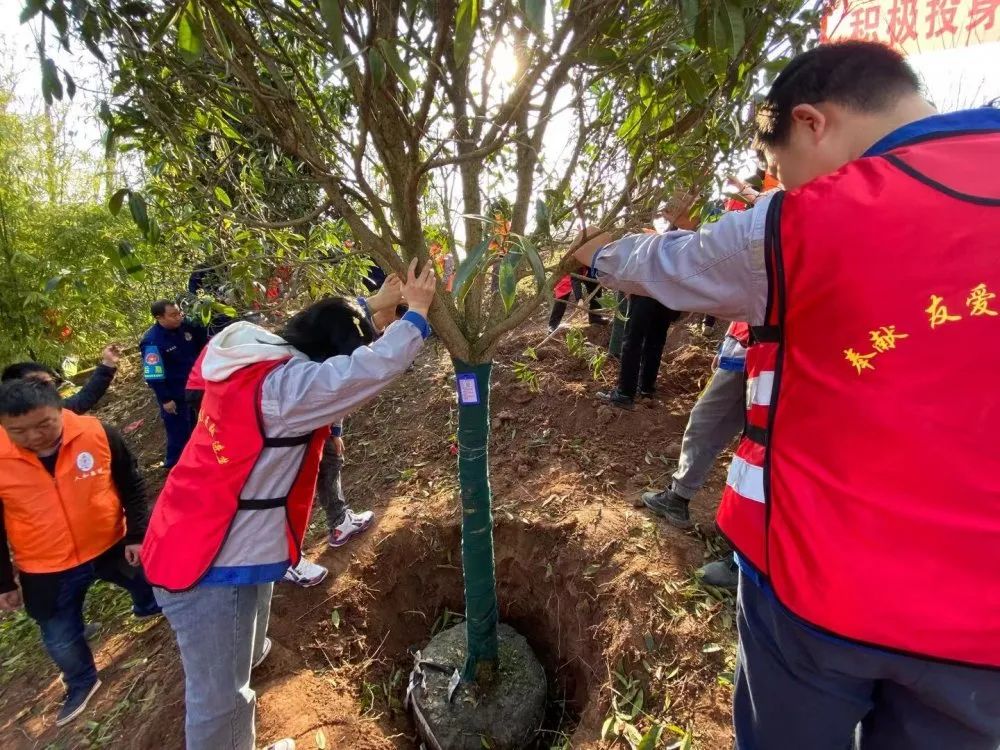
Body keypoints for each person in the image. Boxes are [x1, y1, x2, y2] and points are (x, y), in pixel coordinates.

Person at [575, 41, 1000, 749]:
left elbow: (672, 262)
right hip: (980, 637)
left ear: (810, 123)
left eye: (781, 170)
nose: (785, 187)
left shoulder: (805, 221)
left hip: (815, 588)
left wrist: (591, 251)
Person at [140, 260, 436, 750]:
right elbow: (360, 373)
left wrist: (372, 307)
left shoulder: (251, 353)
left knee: (249, 617)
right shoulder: (285, 390)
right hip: (208, 561)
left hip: (193, 526)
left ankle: (250, 655)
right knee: (220, 701)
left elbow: (319, 324)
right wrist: (415, 316)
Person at [0, 380, 158, 727]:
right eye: (19, 431)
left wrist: (137, 535)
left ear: (61, 410)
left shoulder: (97, 433)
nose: (34, 437)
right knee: (59, 634)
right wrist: (3, 582)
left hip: (110, 541)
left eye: (44, 425)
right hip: (44, 564)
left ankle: (149, 608)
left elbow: (130, 482)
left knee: (150, 581)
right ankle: (82, 681)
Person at [140, 300, 208, 468]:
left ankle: (198, 462)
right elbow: (154, 374)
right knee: (179, 433)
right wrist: (165, 399)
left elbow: (204, 344)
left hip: (195, 388)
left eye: (179, 313)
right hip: (174, 395)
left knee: (199, 428)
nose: (178, 317)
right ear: (159, 318)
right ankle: (175, 466)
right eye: (173, 315)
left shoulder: (187, 327)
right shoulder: (152, 341)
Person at [1, 344, 121, 414]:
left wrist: (108, 363)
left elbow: (85, 397)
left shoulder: (56, 410)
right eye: (37, 384)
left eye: (48, 383)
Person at [548, 267, 604, 332]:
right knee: (562, 294)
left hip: (588, 270)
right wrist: (579, 299)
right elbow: (575, 279)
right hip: (571, 272)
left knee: (595, 285)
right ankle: (553, 325)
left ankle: (595, 317)